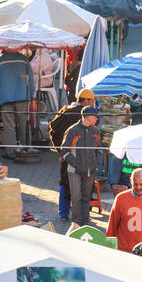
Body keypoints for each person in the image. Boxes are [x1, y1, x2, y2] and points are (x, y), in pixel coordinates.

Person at [49, 88, 95, 222]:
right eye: (91, 101)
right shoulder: (80, 115)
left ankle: (64, 214)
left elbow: (52, 129)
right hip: (79, 157)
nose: (92, 104)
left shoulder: (66, 111)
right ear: (85, 100)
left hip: (67, 156)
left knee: (65, 182)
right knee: (81, 185)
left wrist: (60, 151)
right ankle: (80, 215)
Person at [60, 104, 104, 227]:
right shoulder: (72, 131)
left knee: (86, 197)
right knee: (75, 197)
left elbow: (99, 149)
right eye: (95, 116)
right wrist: (77, 165)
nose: (97, 119)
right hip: (74, 170)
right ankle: (76, 222)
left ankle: (85, 221)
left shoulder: (95, 131)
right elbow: (65, 151)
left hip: (90, 170)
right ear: (87, 117)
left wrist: (96, 162)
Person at [0, 49, 33, 162]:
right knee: (24, 124)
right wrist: (32, 94)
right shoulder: (24, 60)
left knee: (8, 126)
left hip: (5, 97)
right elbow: (30, 79)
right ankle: (27, 149)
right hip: (23, 96)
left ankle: (11, 152)